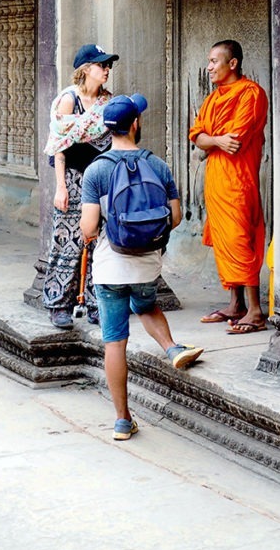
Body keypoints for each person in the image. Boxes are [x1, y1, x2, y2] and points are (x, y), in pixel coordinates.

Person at [80, 93, 203, 442]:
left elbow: (89, 228)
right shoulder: (158, 165)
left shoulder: (97, 170)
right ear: (135, 125)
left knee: (115, 342)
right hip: (147, 265)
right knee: (147, 304)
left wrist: (95, 231)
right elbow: (175, 217)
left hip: (109, 268)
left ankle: (122, 420)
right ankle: (172, 348)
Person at [189, 40, 269, 334]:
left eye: (214, 61)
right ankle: (235, 304)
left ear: (232, 64)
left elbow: (235, 139)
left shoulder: (251, 94)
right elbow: (196, 134)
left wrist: (214, 140)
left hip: (239, 180)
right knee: (224, 241)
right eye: (208, 61)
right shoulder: (213, 99)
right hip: (216, 180)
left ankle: (256, 310)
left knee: (240, 239)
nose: (209, 67)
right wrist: (215, 140)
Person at [42, 44, 117, 329]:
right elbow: (59, 147)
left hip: (100, 179)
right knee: (68, 240)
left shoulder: (108, 103)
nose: (106, 70)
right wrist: (60, 187)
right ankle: (59, 303)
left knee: (100, 241)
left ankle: (98, 304)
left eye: (108, 65)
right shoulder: (68, 101)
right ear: (86, 69)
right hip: (73, 177)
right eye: (101, 65)